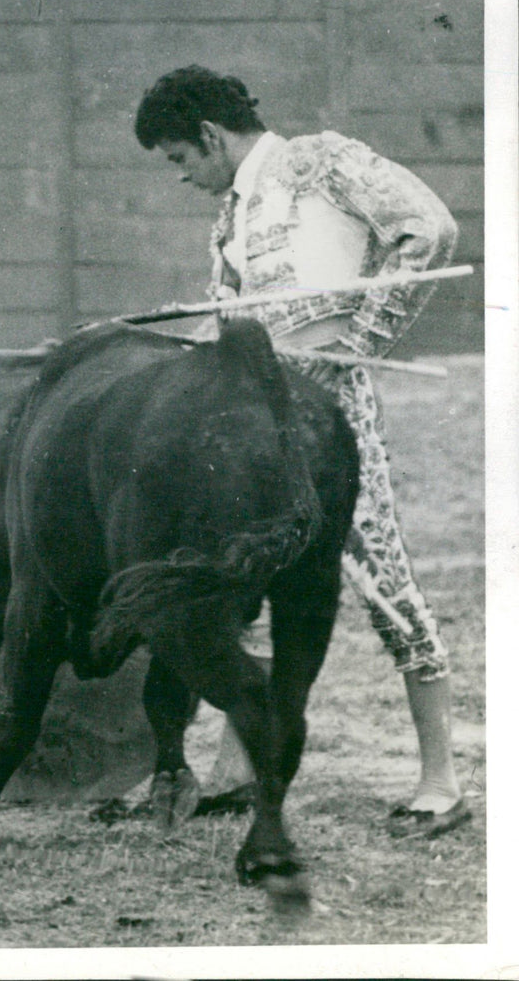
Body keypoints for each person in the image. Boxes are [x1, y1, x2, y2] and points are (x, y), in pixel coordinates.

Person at [133, 65, 471, 837]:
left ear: (211, 137)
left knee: (384, 581)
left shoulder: (320, 160)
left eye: (180, 158)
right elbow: (224, 324)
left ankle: (442, 781)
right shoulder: (230, 216)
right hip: (250, 419)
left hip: (331, 420)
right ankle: (234, 766)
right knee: (229, 580)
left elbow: (431, 228)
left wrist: (355, 343)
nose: (181, 175)